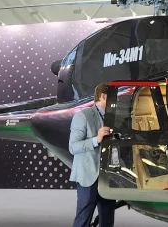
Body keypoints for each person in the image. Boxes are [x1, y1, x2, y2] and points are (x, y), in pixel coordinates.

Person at [69, 84, 115, 227]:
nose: (117, 101)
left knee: (107, 221)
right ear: (103, 96)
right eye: (115, 97)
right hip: (88, 178)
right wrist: (96, 140)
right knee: (83, 219)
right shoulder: (83, 115)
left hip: (108, 177)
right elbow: (73, 147)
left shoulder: (115, 118)